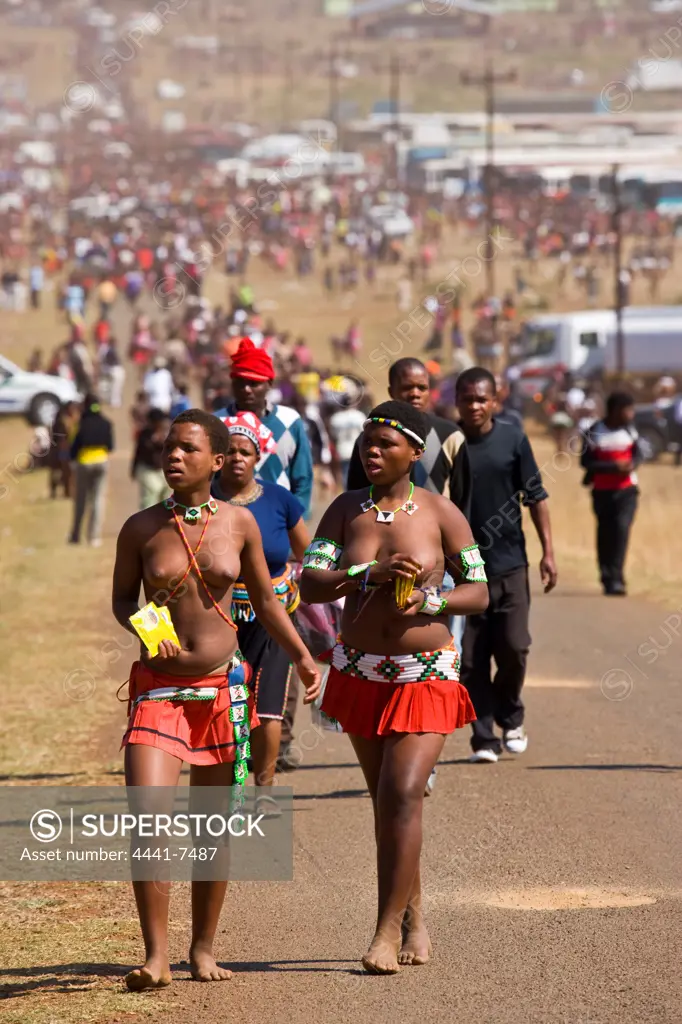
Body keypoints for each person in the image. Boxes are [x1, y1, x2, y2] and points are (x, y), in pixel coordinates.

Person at [112, 409, 320, 992]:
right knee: (148, 818)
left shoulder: (241, 524)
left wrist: (302, 654)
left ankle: (202, 950)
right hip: (159, 691)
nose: (174, 457)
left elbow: (268, 599)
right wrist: (148, 629)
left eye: (188, 449)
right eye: (168, 448)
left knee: (211, 828)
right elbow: (123, 601)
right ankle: (155, 958)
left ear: (218, 461)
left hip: (222, 691)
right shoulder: (140, 527)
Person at [300, 400, 488, 974]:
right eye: (366, 443)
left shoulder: (441, 513)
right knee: (387, 802)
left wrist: (431, 598)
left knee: (404, 790)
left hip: (425, 673)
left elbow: (478, 591)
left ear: (415, 452)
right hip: (359, 673)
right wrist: (365, 574)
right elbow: (311, 583)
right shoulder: (344, 511)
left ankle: (383, 931)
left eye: (384, 444)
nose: (371, 452)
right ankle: (413, 915)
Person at [456, 367, 557, 763]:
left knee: (514, 647)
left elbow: (536, 497)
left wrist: (548, 552)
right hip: (464, 570)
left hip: (511, 564)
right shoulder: (449, 442)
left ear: (495, 400)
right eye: (468, 398)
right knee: (471, 659)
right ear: (458, 401)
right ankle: (483, 737)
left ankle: (510, 715)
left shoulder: (513, 439)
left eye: (482, 398)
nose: (475, 405)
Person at [212, 411, 310, 792]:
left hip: (275, 616)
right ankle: (230, 785)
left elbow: (309, 554)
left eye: (246, 452)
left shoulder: (280, 500)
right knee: (227, 706)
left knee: (268, 706)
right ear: (219, 456)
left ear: (258, 458)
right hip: (219, 619)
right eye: (231, 451)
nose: (238, 458)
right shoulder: (203, 499)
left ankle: (265, 790)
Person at [214, 339, 314, 517]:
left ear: (270, 384)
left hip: (279, 523)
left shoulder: (290, 421)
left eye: (253, 383)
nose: (246, 389)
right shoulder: (217, 422)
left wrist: (295, 521)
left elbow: (303, 479)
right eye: (240, 382)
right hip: (227, 524)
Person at [580, 391, 643, 596]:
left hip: (627, 491)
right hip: (602, 492)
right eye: (628, 409)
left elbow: (638, 454)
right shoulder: (594, 431)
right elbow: (586, 462)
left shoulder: (630, 431)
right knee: (605, 533)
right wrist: (612, 466)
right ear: (615, 410)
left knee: (621, 530)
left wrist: (632, 464)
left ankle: (618, 577)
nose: (631, 413)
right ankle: (607, 576)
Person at [69, 394, 114, 546]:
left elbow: (74, 445)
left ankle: (75, 535)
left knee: (81, 500)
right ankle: (93, 537)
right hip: (101, 462)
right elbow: (110, 445)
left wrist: (72, 460)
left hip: (84, 463)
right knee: (97, 500)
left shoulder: (81, 424)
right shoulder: (106, 423)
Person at [131, 408, 171, 510]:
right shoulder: (145, 434)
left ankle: (163, 524)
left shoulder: (168, 433)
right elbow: (139, 451)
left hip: (163, 471)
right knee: (149, 500)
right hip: (148, 470)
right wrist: (133, 468)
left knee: (166, 502)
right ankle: (147, 524)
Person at [329, 395, 366, 487]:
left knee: (346, 474)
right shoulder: (359, 415)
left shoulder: (336, 418)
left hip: (342, 450)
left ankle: (349, 494)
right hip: (358, 448)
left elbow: (333, 436)